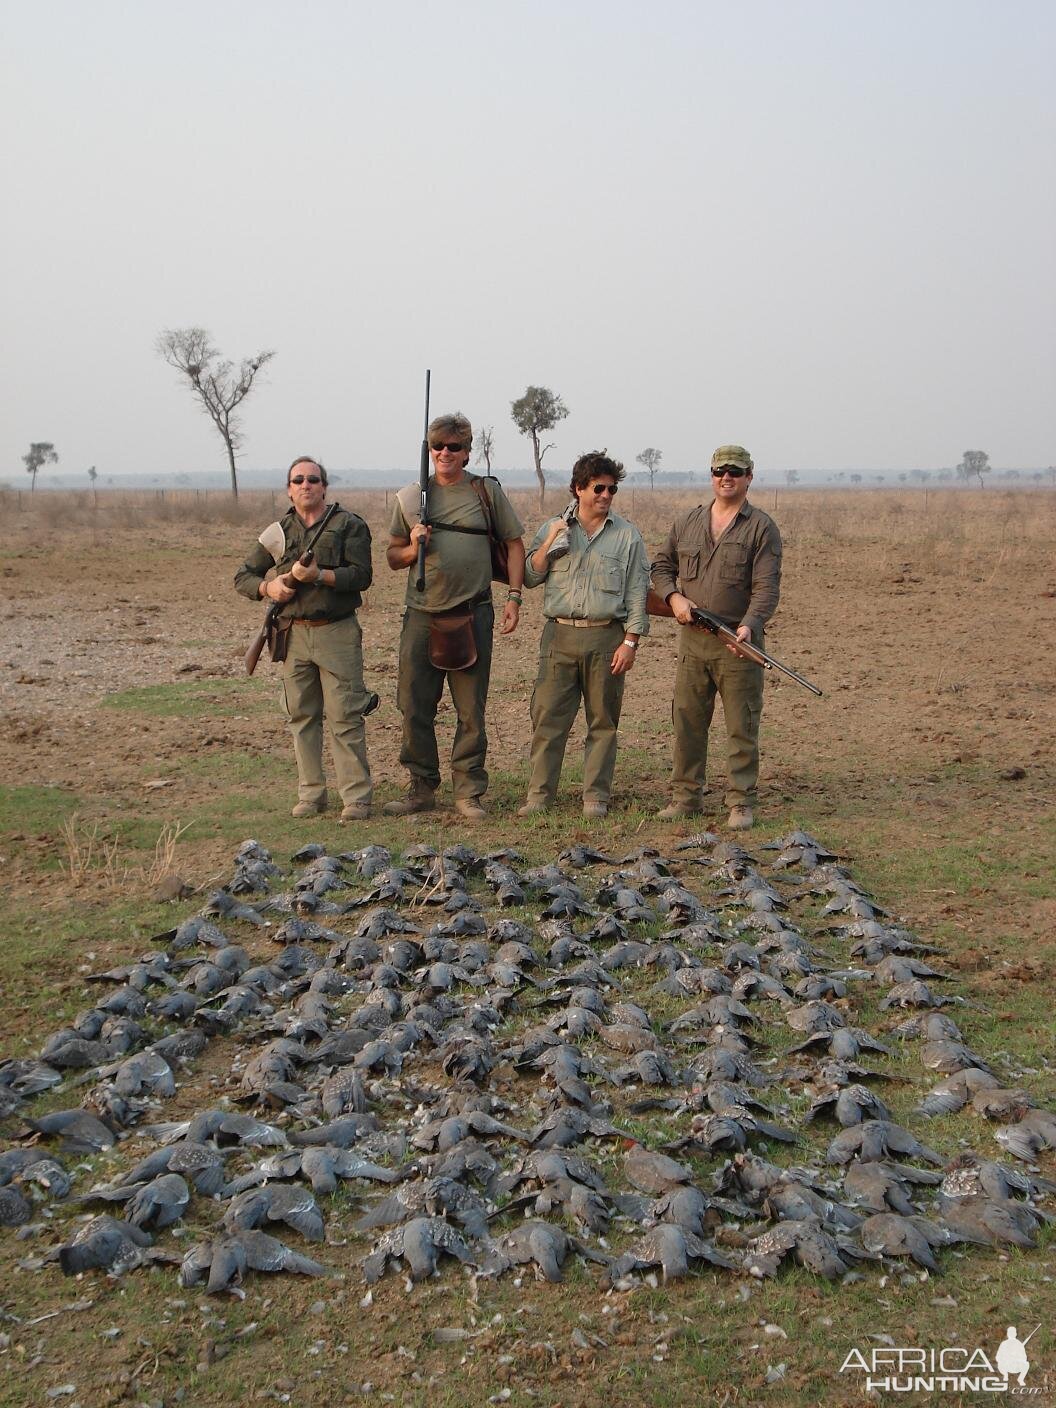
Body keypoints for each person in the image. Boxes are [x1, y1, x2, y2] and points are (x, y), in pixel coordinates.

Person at [385, 412, 525, 818]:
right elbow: (393, 557)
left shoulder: (485, 492)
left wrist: (514, 597)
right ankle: (421, 787)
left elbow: (514, 545)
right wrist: (414, 547)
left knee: (470, 709)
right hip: (421, 616)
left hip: (472, 614)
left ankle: (468, 791)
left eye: (454, 446)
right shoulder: (412, 498)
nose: (445, 452)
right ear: (429, 451)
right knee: (413, 705)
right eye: (438, 446)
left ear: (467, 452)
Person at [235, 456, 376, 821]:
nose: (305, 485)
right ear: (289, 489)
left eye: (313, 479)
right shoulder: (278, 532)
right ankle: (312, 795)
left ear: (324, 486)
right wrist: (270, 587)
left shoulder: (348, 525)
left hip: (337, 632)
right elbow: (243, 577)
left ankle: (356, 799)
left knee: (345, 715)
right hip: (292, 635)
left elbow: (362, 576)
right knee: (301, 716)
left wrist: (320, 577)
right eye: (298, 480)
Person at [650, 444, 782, 830]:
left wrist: (750, 625)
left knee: (742, 724)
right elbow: (661, 566)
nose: (727, 477)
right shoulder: (688, 522)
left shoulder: (761, 527)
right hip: (693, 641)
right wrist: (673, 598)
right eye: (720, 470)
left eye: (736, 472)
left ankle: (741, 802)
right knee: (687, 720)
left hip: (737, 645)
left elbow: (766, 588)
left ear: (749, 477)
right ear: (711, 475)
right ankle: (685, 797)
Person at [518, 451, 649, 818]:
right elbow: (530, 576)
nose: (606, 495)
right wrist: (549, 542)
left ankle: (596, 798)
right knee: (548, 719)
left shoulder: (626, 536)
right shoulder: (553, 527)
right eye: (598, 488)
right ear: (578, 489)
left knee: (603, 722)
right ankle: (540, 796)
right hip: (559, 637)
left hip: (606, 638)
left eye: (611, 489)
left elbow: (638, 590)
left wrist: (631, 641)